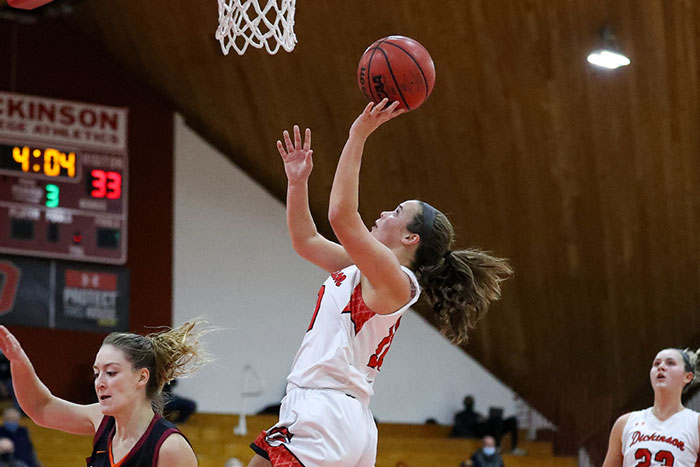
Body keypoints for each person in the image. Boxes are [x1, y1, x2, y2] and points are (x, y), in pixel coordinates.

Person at [248, 99, 513, 467]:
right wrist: (297, 183)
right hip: (326, 410)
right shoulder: (367, 268)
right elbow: (306, 242)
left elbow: (341, 214)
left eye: (397, 212)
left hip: (328, 412)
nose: (385, 212)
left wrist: (358, 133)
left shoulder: (395, 280)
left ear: (410, 239)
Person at [0, 321, 207, 467]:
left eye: (111, 372)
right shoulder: (102, 420)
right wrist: (18, 362)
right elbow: (40, 408)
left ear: (142, 377)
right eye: (97, 373)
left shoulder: (170, 449)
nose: (99, 383)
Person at [602, 347, 700, 466]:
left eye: (670, 363)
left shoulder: (696, 423)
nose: (661, 367)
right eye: (656, 363)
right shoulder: (625, 423)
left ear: (687, 377)